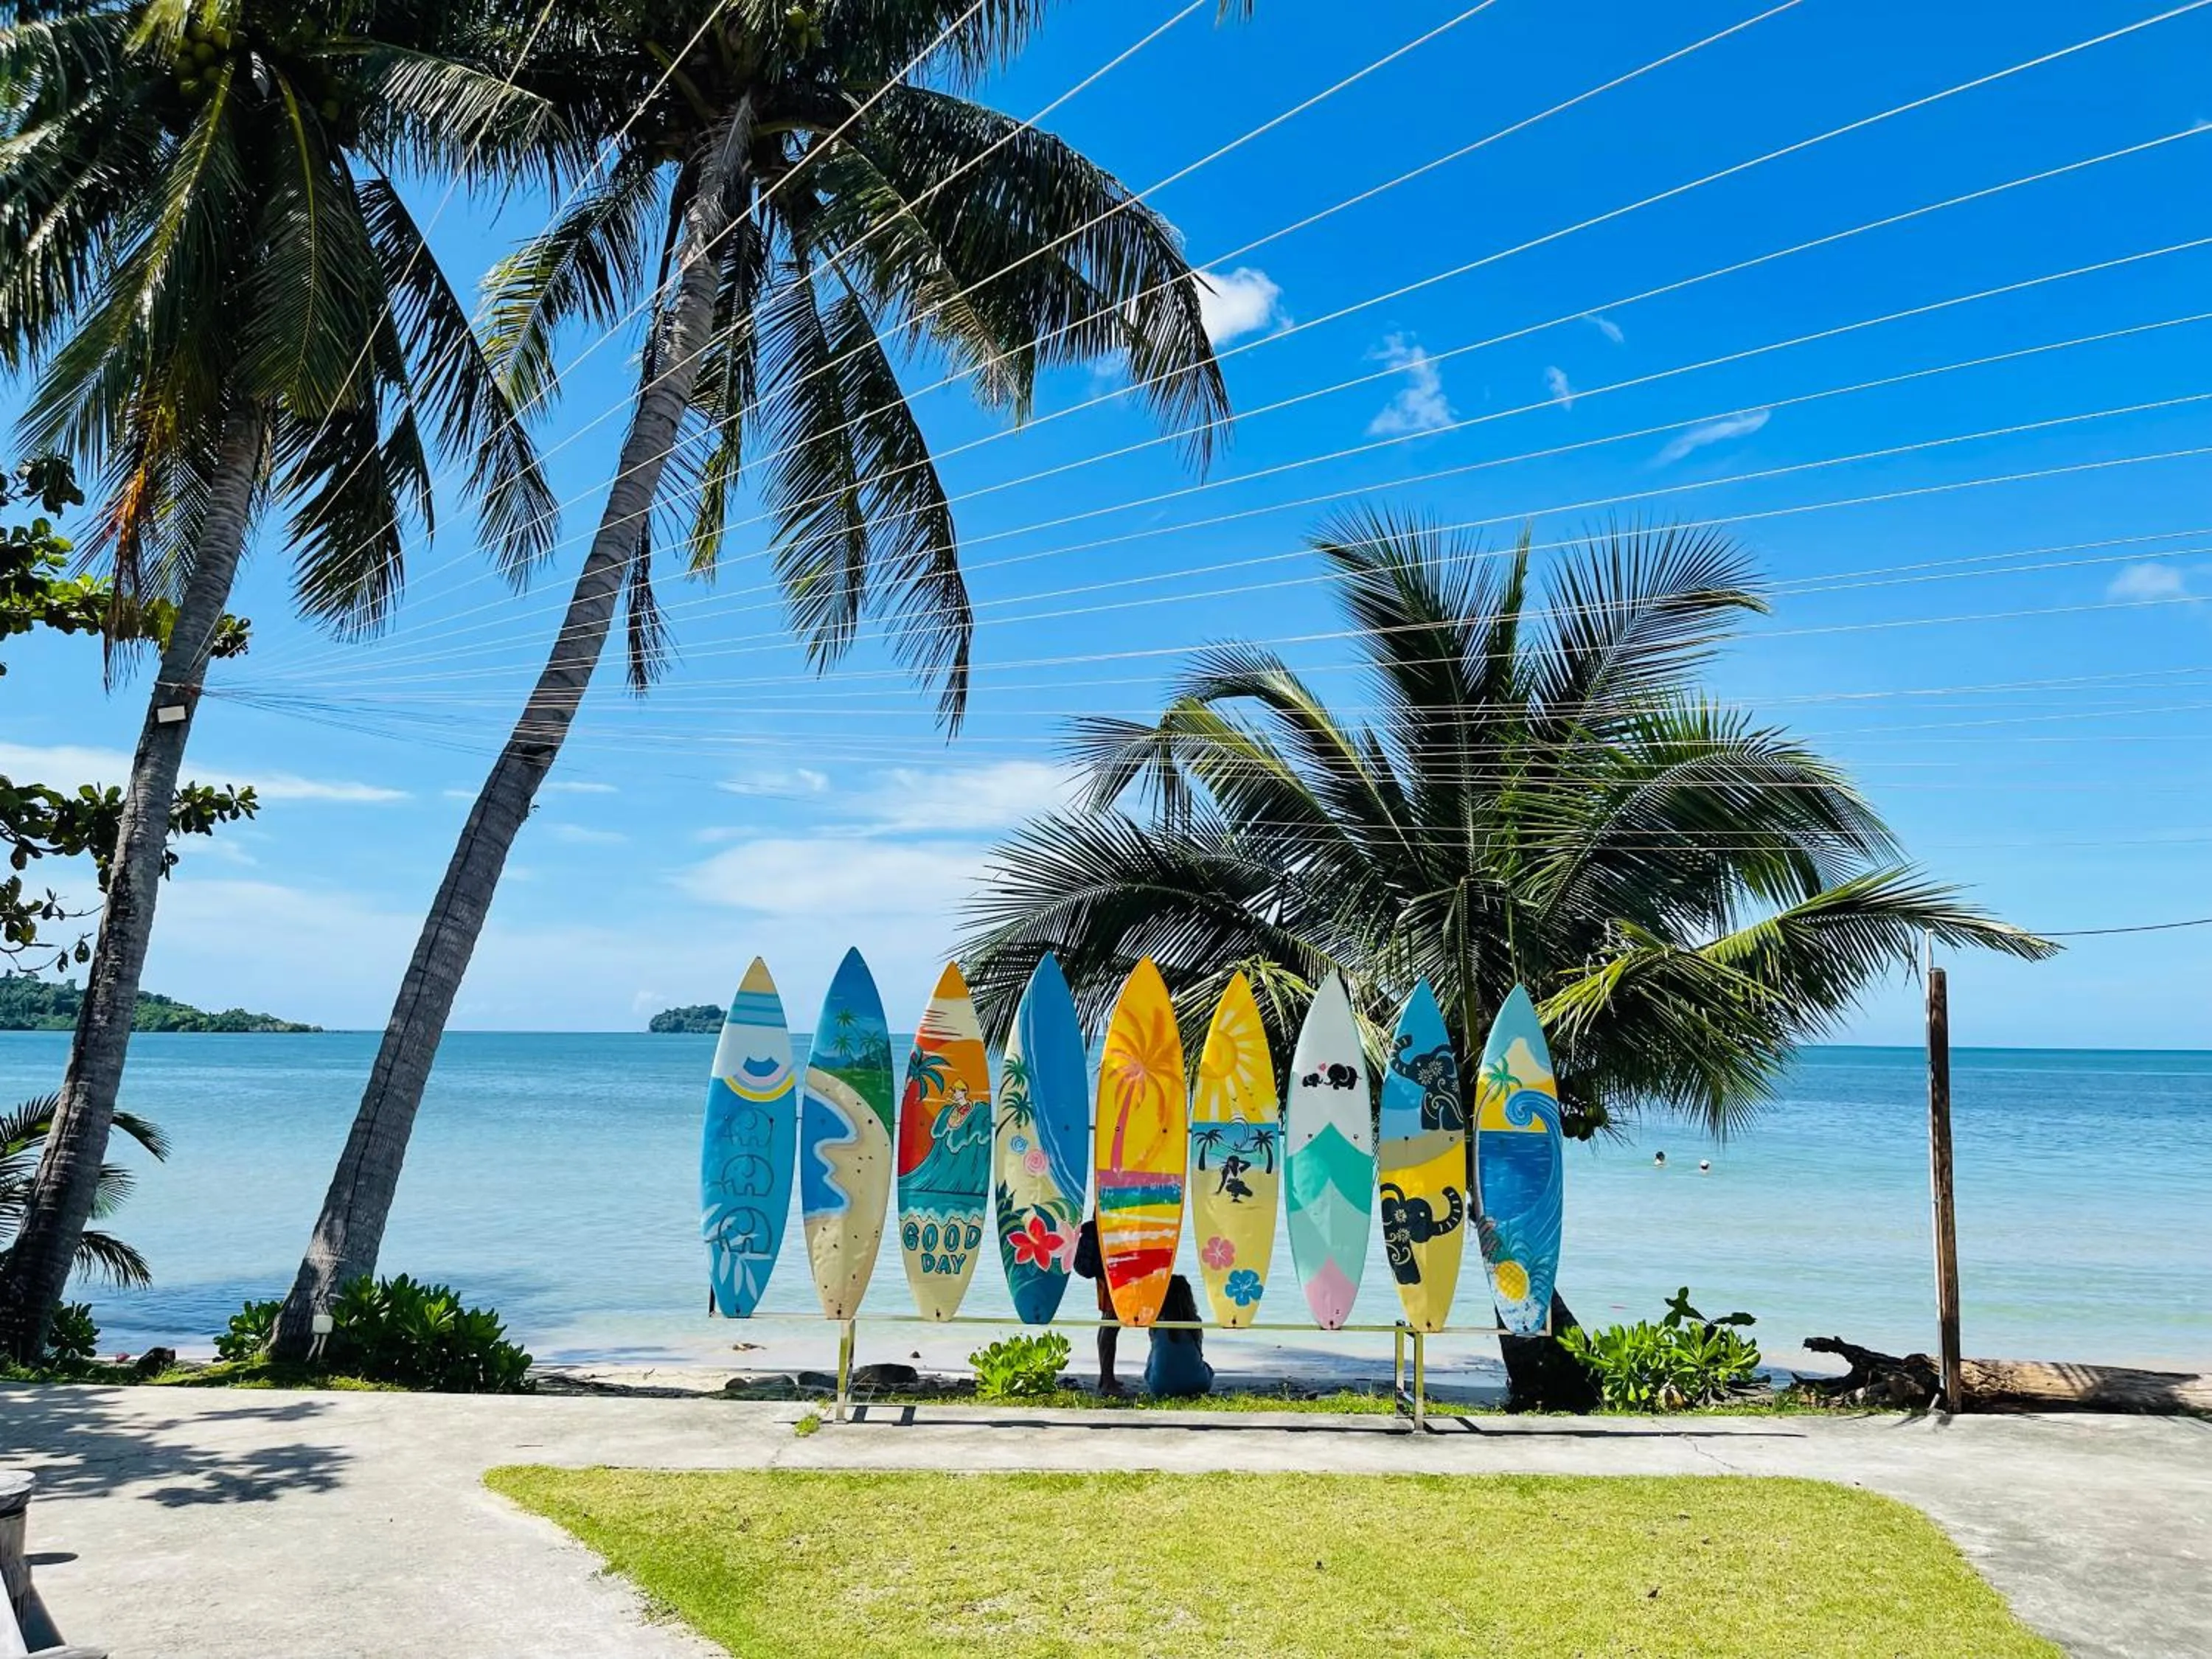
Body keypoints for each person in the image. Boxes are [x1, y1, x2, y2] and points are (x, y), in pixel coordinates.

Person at [1071, 1215, 1121, 1395]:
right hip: (1111, 1264)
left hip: (1108, 1261)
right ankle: (1107, 1381)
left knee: (1109, 1321)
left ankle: (1106, 1378)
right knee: (1111, 1322)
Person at [1144, 1273, 1214, 1399]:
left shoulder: (1156, 1322)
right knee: (1208, 1369)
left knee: (1154, 1358)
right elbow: (1199, 1352)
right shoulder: (1195, 1321)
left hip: (1160, 1388)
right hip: (1198, 1384)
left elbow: (1155, 1351)